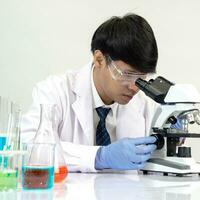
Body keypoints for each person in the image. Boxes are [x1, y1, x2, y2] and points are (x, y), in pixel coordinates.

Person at [21, 13, 160, 172]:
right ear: (99, 59)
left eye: (141, 78)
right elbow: (28, 146)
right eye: (127, 75)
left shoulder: (146, 105)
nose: (134, 87)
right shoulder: (55, 91)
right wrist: (99, 156)